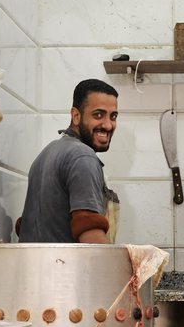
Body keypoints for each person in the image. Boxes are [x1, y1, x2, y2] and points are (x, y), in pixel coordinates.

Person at [18, 79, 119, 244]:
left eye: (113, 116)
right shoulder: (82, 157)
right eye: (98, 115)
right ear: (76, 116)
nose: (108, 125)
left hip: (33, 260)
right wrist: (125, 260)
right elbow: (91, 236)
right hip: (63, 261)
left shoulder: (46, 153)